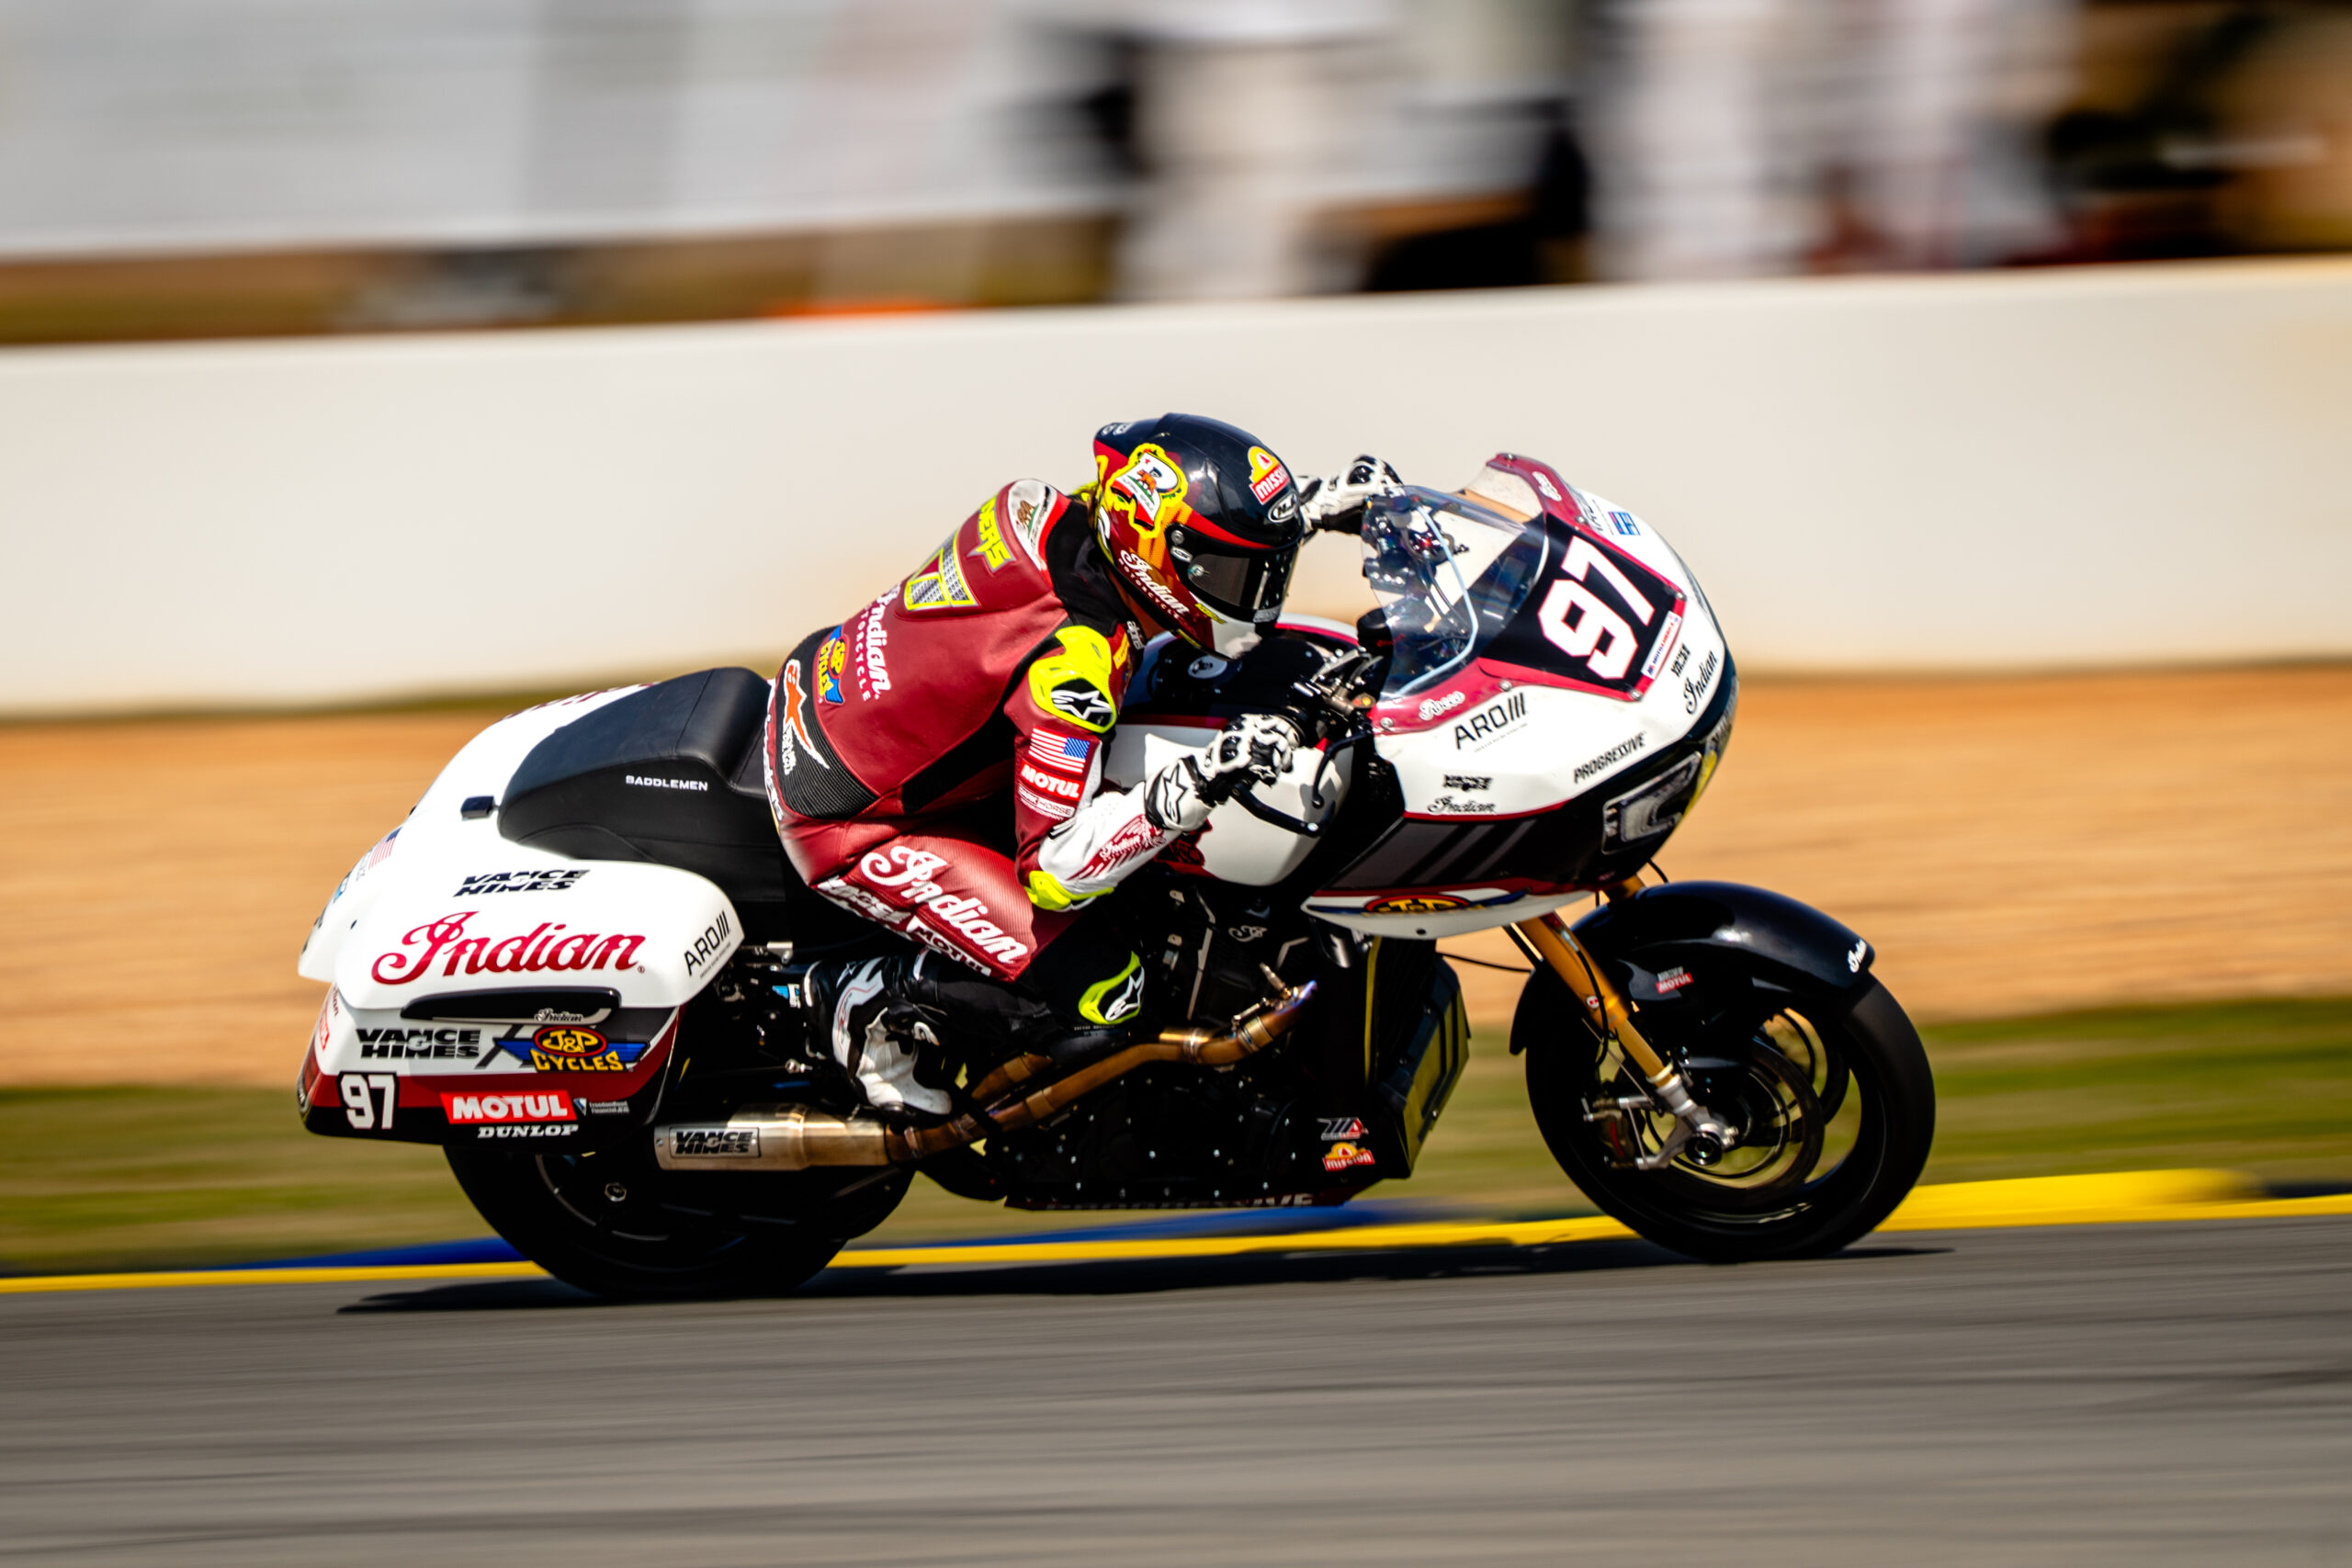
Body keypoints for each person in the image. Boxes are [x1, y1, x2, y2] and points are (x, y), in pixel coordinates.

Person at [763, 414, 1396, 1117]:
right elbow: (1055, 871)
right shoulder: (1077, 666)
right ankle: (863, 1000)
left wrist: (1307, 506)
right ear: (1154, 560)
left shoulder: (1045, 508)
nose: (1256, 599)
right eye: (1232, 574)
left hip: (826, 693)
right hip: (853, 818)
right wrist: (1207, 774)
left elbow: (1148, 517)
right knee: (1109, 991)